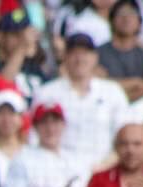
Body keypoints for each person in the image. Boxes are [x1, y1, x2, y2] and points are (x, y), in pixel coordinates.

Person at [32, 33, 128, 171]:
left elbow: (124, 136)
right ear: (65, 56)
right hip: (56, 171)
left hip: (104, 170)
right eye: (74, 53)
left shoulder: (113, 92)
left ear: (95, 57)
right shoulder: (46, 93)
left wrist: (102, 169)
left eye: (85, 53)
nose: (79, 58)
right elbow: (34, 137)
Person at [98, 0, 143, 101]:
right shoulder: (98, 54)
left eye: (132, 14)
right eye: (121, 14)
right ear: (112, 20)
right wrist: (134, 82)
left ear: (139, 22)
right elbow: (97, 86)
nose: (126, 19)